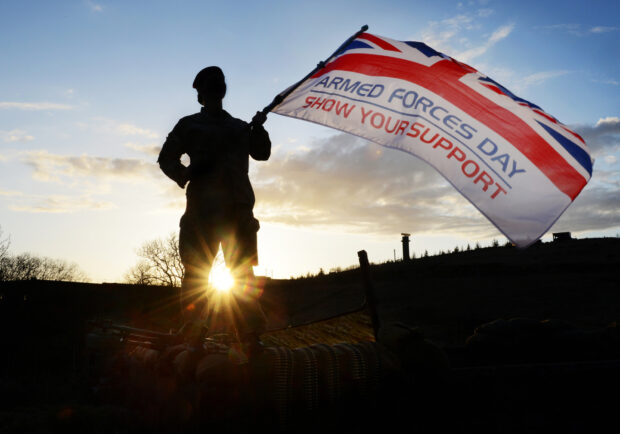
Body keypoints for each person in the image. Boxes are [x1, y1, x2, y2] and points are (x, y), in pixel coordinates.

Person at [157, 66, 270, 349]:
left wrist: (258, 129)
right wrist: (187, 173)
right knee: (196, 273)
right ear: (201, 95)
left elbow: (262, 153)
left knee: (242, 274)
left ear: (222, 90)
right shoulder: (189, 125)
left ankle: (249, 334)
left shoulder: (240, 127)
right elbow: (166, 159)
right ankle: (194, 329)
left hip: (237, 211)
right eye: (207, 87)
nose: (212, 91)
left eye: (217, 85)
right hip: (202, 212)